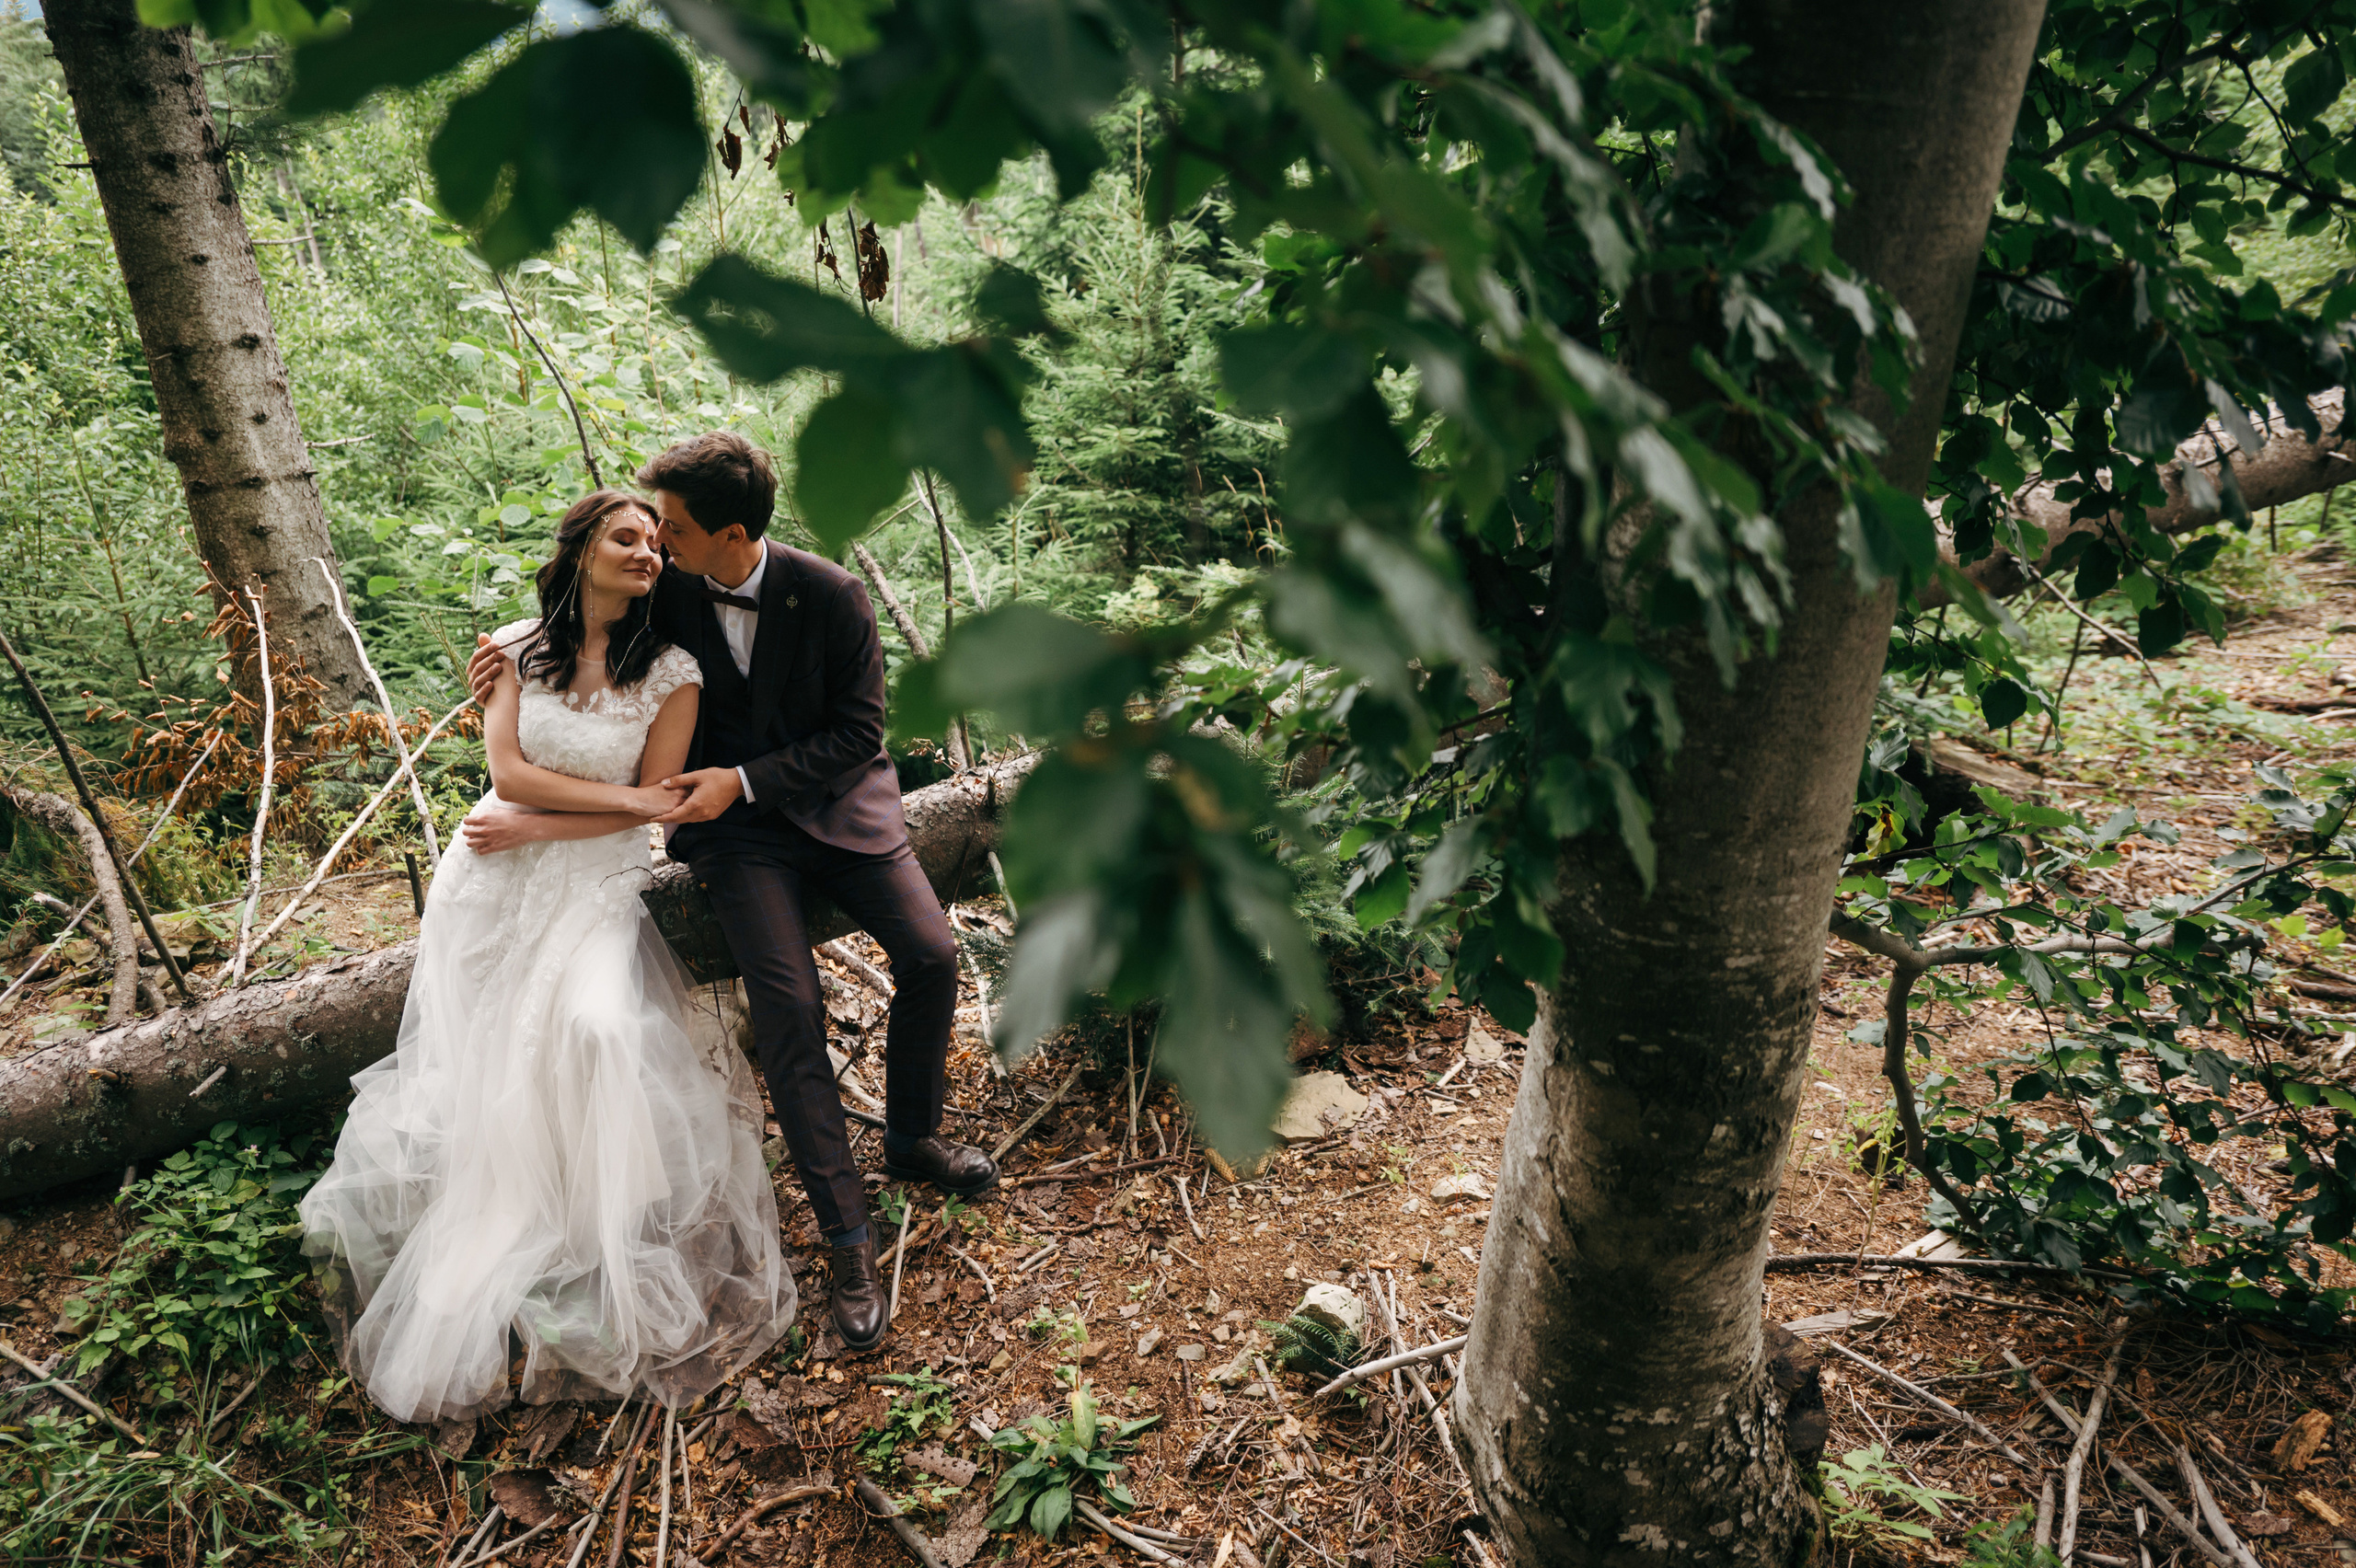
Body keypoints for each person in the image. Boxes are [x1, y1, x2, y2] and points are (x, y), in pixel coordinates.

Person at [466, 432, 996, 1355]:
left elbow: (859, 733)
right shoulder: (665, 582)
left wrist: (743, 779)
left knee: (932, 954)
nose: (657, 544)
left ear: (732, 532)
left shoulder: (830, 593)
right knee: (790, 1007)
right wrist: (503, 663)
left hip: (839, 812)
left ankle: (912, 1142)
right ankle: (848, 1237)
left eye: (671, 528)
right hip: (737, 840)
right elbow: (581, 612)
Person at [301, 489, 795, 1425]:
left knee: (600, 1027)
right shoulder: (516, 646)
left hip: (593, 885)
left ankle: (605, 1230)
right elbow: (506, 776)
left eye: (657, 542)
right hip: (491, 885)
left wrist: (537, 823)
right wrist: (531, 816)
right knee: (489, 1058)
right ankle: (522, 1221)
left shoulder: (673, 670)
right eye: (626, 537)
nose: (646, 552)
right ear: (579, 550)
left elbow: (654, 803)